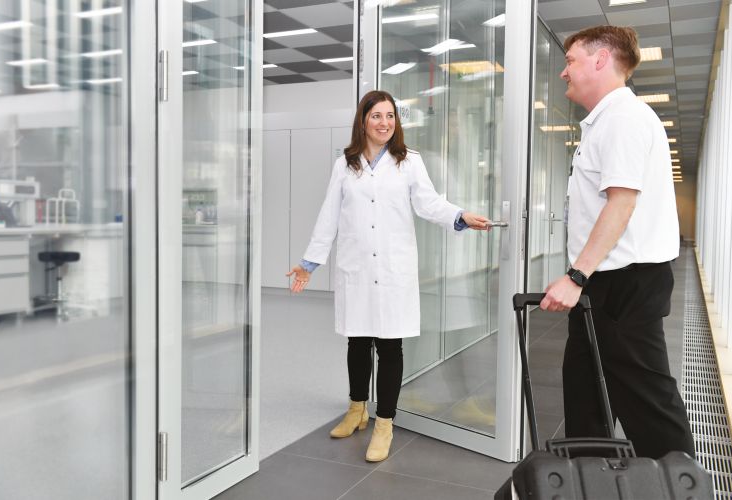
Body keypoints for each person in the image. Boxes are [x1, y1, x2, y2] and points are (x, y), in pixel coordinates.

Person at [286, 90, 491, 462]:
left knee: (390, 347)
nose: (384, 123)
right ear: (363, 120)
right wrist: (309, 263)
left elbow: (429, 203)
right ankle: (356, 409)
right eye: (376, 116)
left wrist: (460, 215)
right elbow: (329, 215)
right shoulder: (345, 164)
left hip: (394, 269)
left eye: (390, 116)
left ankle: (384, 424)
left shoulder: (408, 161)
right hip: (357, 267)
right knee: (357, 343)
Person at [540, 25, 695, 459]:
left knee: (648, 407)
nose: (564, 72)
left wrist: (575, 275)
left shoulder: (624, 120)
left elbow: (620, 206)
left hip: (624, 285)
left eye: (571, 60)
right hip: (606, 283)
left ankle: (681, 486)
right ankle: (591, 480)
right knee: (586, 396)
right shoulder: (603, 123)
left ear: (601, 60)